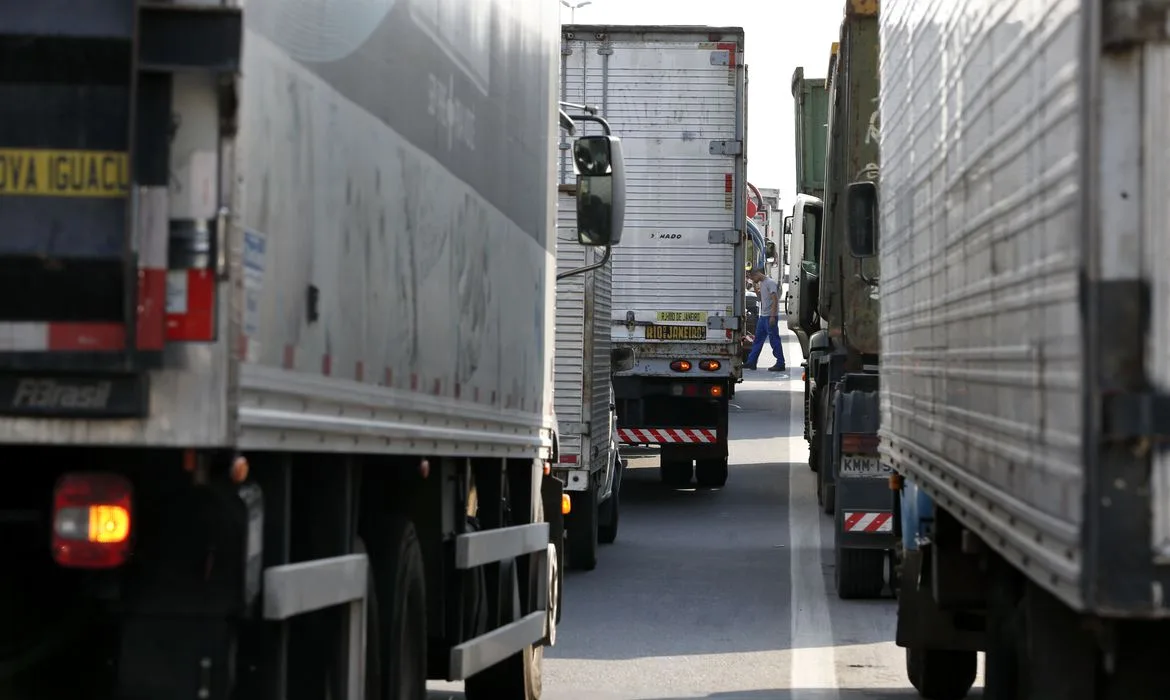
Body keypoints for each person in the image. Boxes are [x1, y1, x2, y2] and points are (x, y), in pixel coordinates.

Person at [744, 268, 785, 372]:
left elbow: (775, 300)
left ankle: (780, 363)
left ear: (757, 274)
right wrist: (755, 287)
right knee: (758, 339)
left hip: (770, 316)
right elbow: (760, 298)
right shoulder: (762, 283)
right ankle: (751, 362)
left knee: (774, 340)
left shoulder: (770, 283)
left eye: (752, 277)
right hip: (763, 316)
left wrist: (772, 316)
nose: (752, 279)